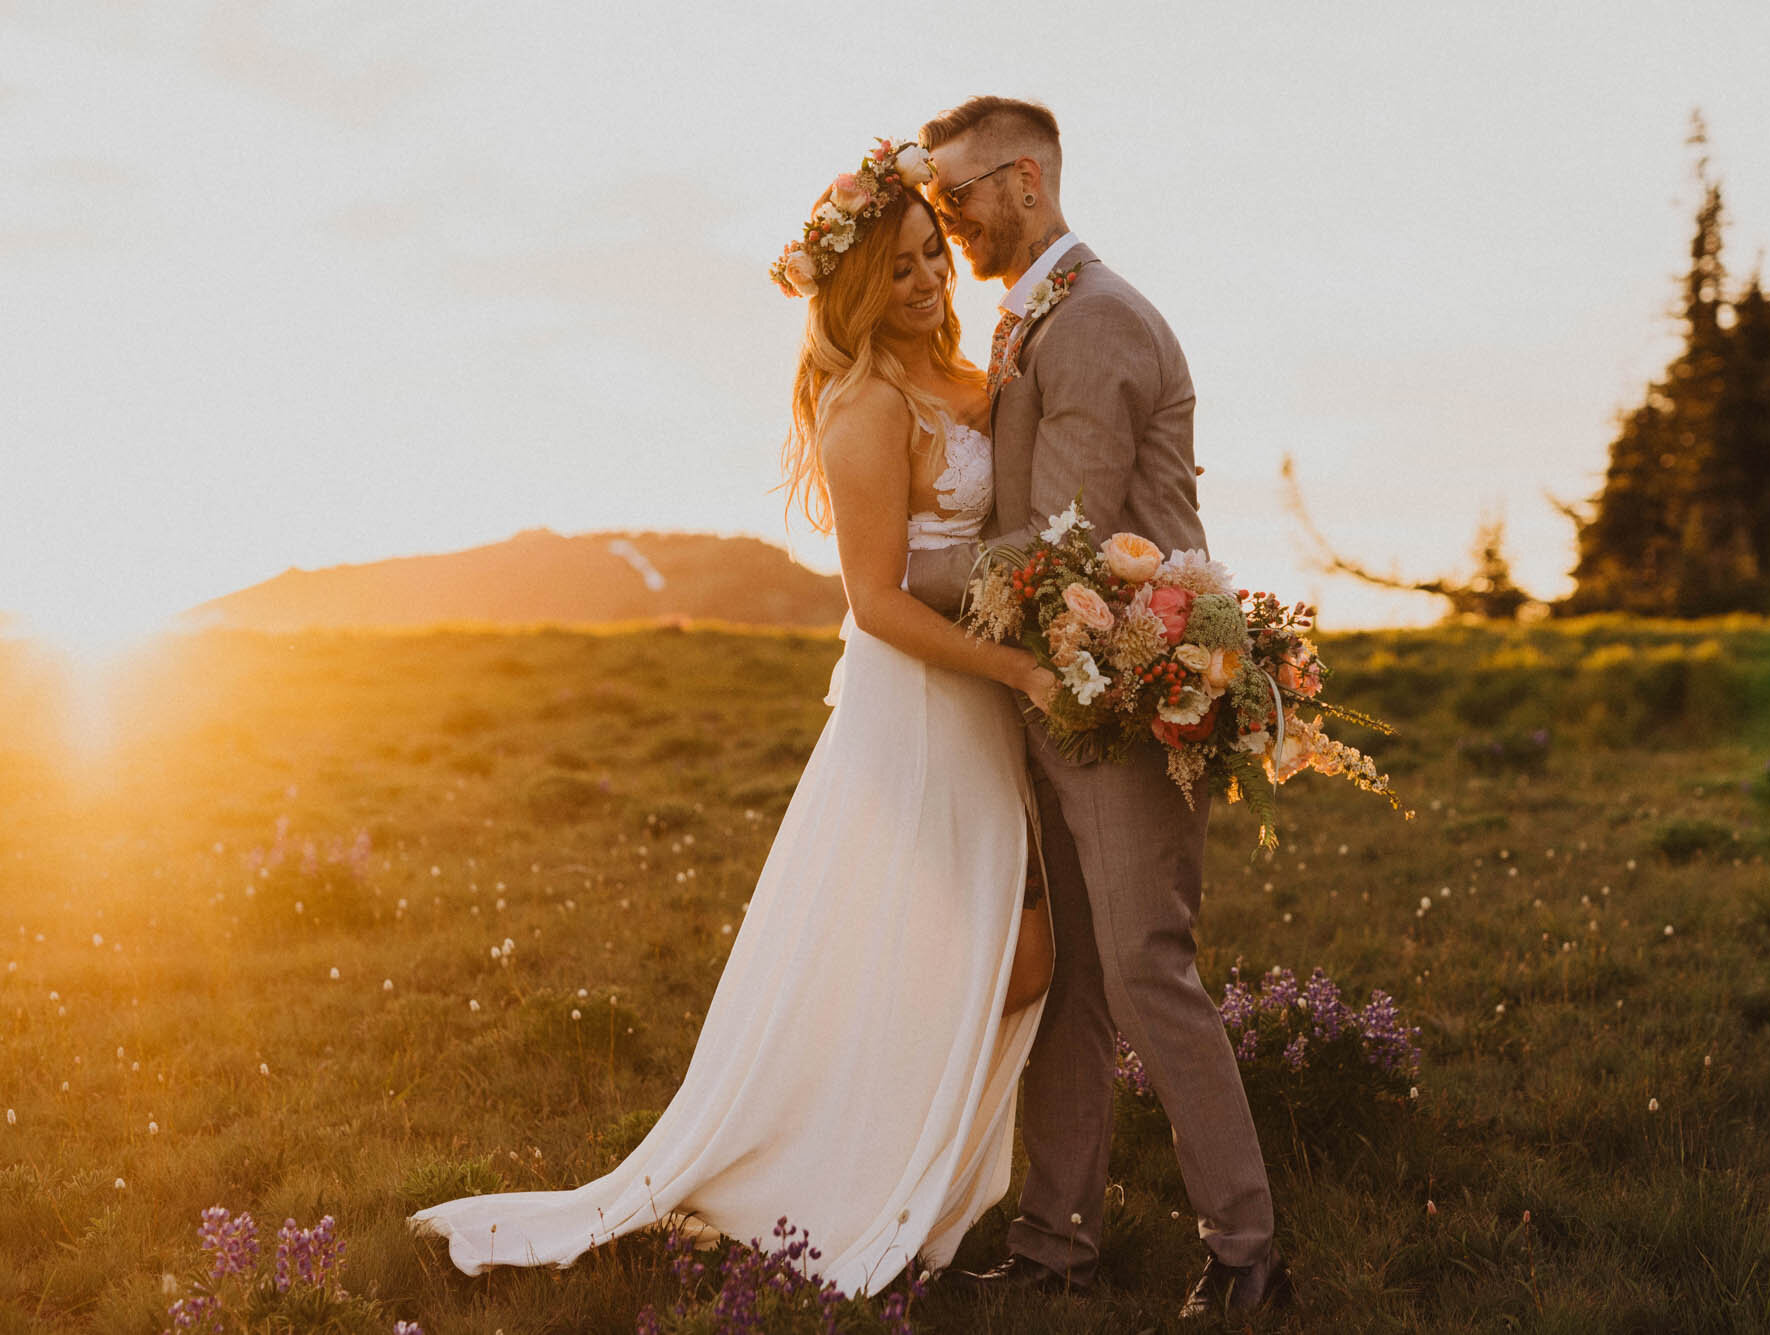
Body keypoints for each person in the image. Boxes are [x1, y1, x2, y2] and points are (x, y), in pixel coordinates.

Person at [409, 138, 1057, 1298]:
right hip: (922, 704)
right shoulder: (864, 406)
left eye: (929, 257)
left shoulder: (976, 376)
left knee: (1006, 952)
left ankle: (933, 1166)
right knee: (955, 950)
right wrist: (1012, 676)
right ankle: (852, 1174)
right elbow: (872, 603)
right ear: (854, 289)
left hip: (989, 698)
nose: (924, 282)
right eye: (898, 269)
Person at [903, 96, 1292, 1319]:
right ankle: (1052, 1240)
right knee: (1074, 975)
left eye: (956, 197)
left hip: (1132, 698)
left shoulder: (1100, 322)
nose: (945, 221)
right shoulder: (1035, 316)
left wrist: (893, 579)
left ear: (1023, 182)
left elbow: (1059, 552)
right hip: (1061, 690)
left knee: (1141, 969)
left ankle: (1247, 1254)